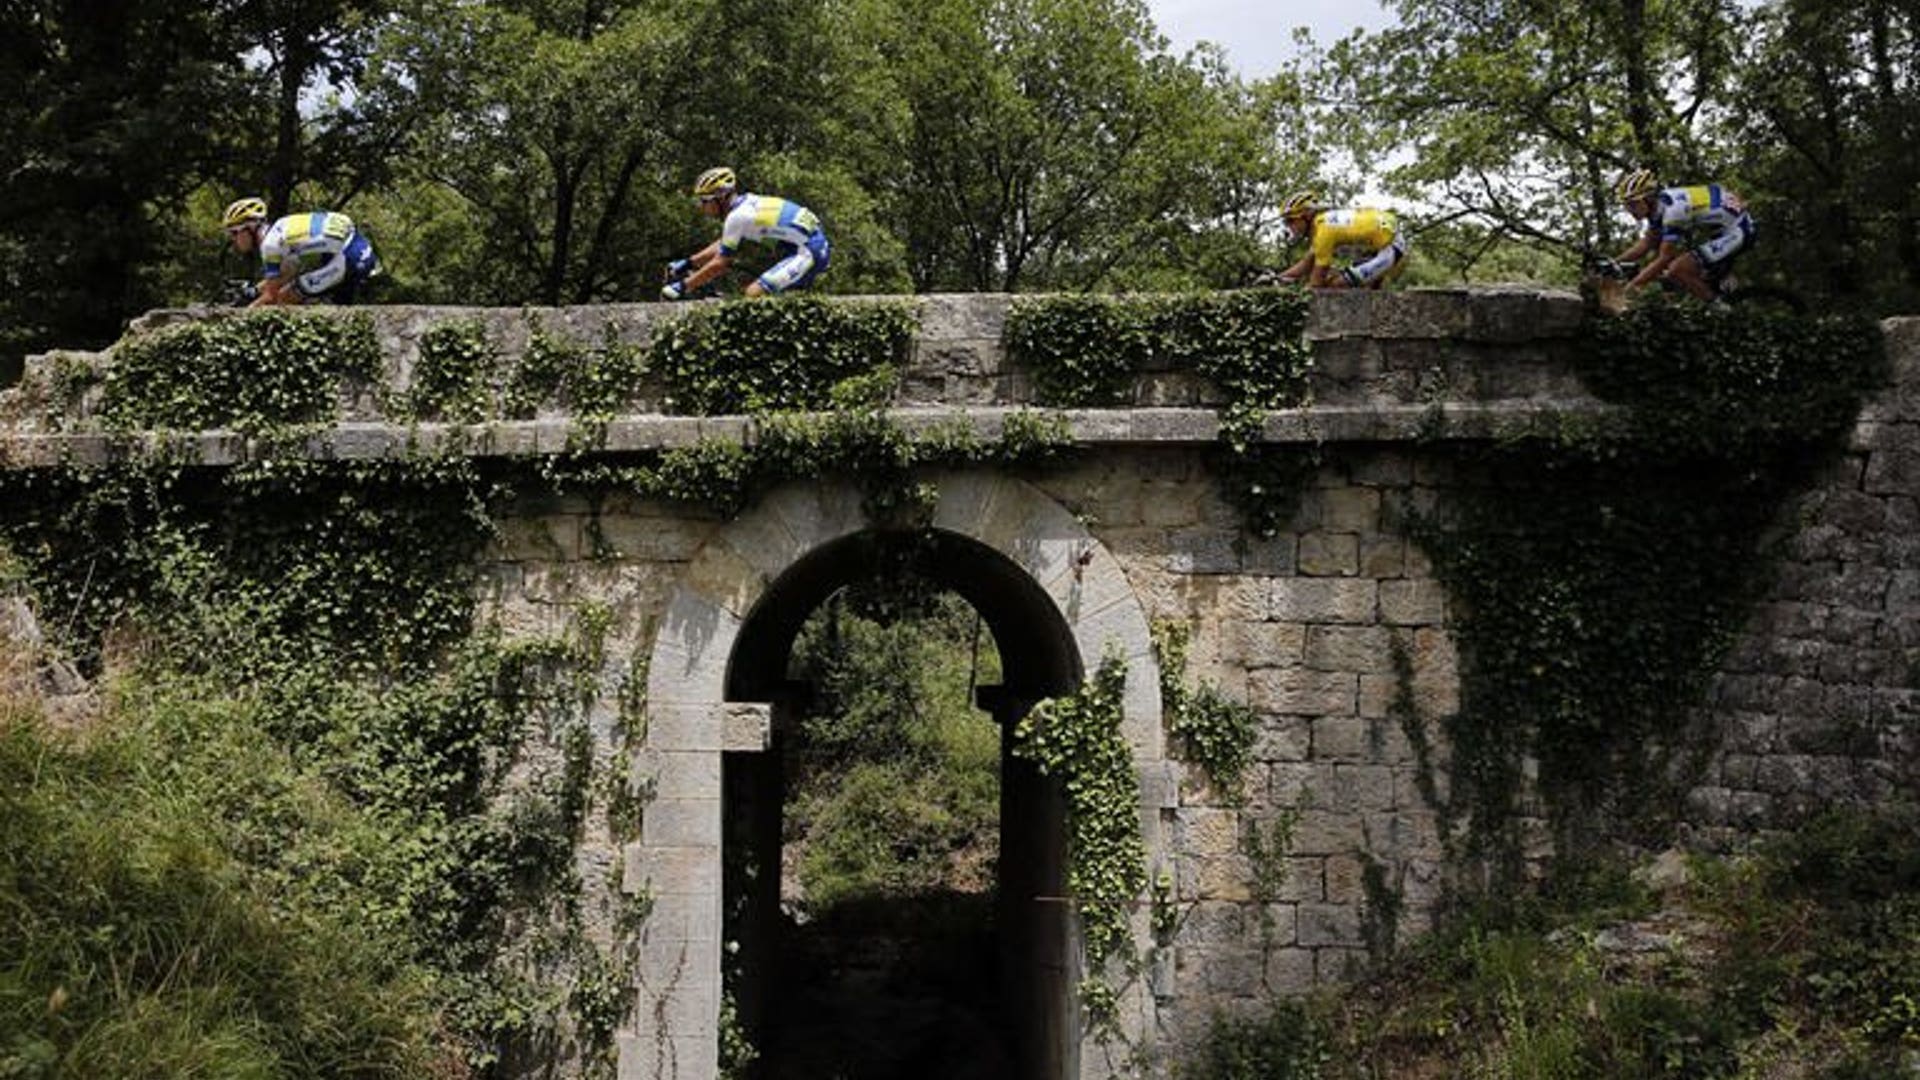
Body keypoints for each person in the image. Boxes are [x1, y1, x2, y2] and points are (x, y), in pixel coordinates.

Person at [661, 167, 830, 301]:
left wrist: (683, 286)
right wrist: (689, 263)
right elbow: (724, 243)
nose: (701, 207)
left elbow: (720, 263)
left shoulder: (737, 216)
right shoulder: (746, 203)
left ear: (720, 198)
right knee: (760, 295)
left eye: (704, 201)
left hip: (808, 251)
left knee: (752, 294)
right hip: (805, 245)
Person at [1610, 168, 1754, 302]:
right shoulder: (1660, 205)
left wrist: (1631, 288)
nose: (1629, 209)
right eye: (1627, 205)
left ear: (1648, 198)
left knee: (1677, 269)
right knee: (1671, 276)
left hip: (1738, 229)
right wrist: (1614, 262)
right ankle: (1720, 285)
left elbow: (1665, 258)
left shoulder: (1673, 212)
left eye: (1633, 204)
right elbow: (1647, 243)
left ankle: (1720, 311)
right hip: (1722, 228)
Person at [222, 197, 380, 306]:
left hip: (348, 256)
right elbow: (287, 273)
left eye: (234, 233)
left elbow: (271, 296)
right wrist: (254, 290)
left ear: (250, 228)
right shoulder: (279, 229)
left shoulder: (270, 246)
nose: (233, 240)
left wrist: (241, 317)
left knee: (284, 298)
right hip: (356, 248)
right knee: (297, 290)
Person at [1274, 190, 1410, 289]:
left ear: (1307, 216)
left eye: (1291, 221)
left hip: (1390, 249)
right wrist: (1277, 278)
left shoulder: (1323, 232)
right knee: (1356, 286)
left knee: (1332, 286)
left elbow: (1315, 284)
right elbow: (1306, 264)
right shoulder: (1322, 225)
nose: (1289, 226)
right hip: (1383, 243)